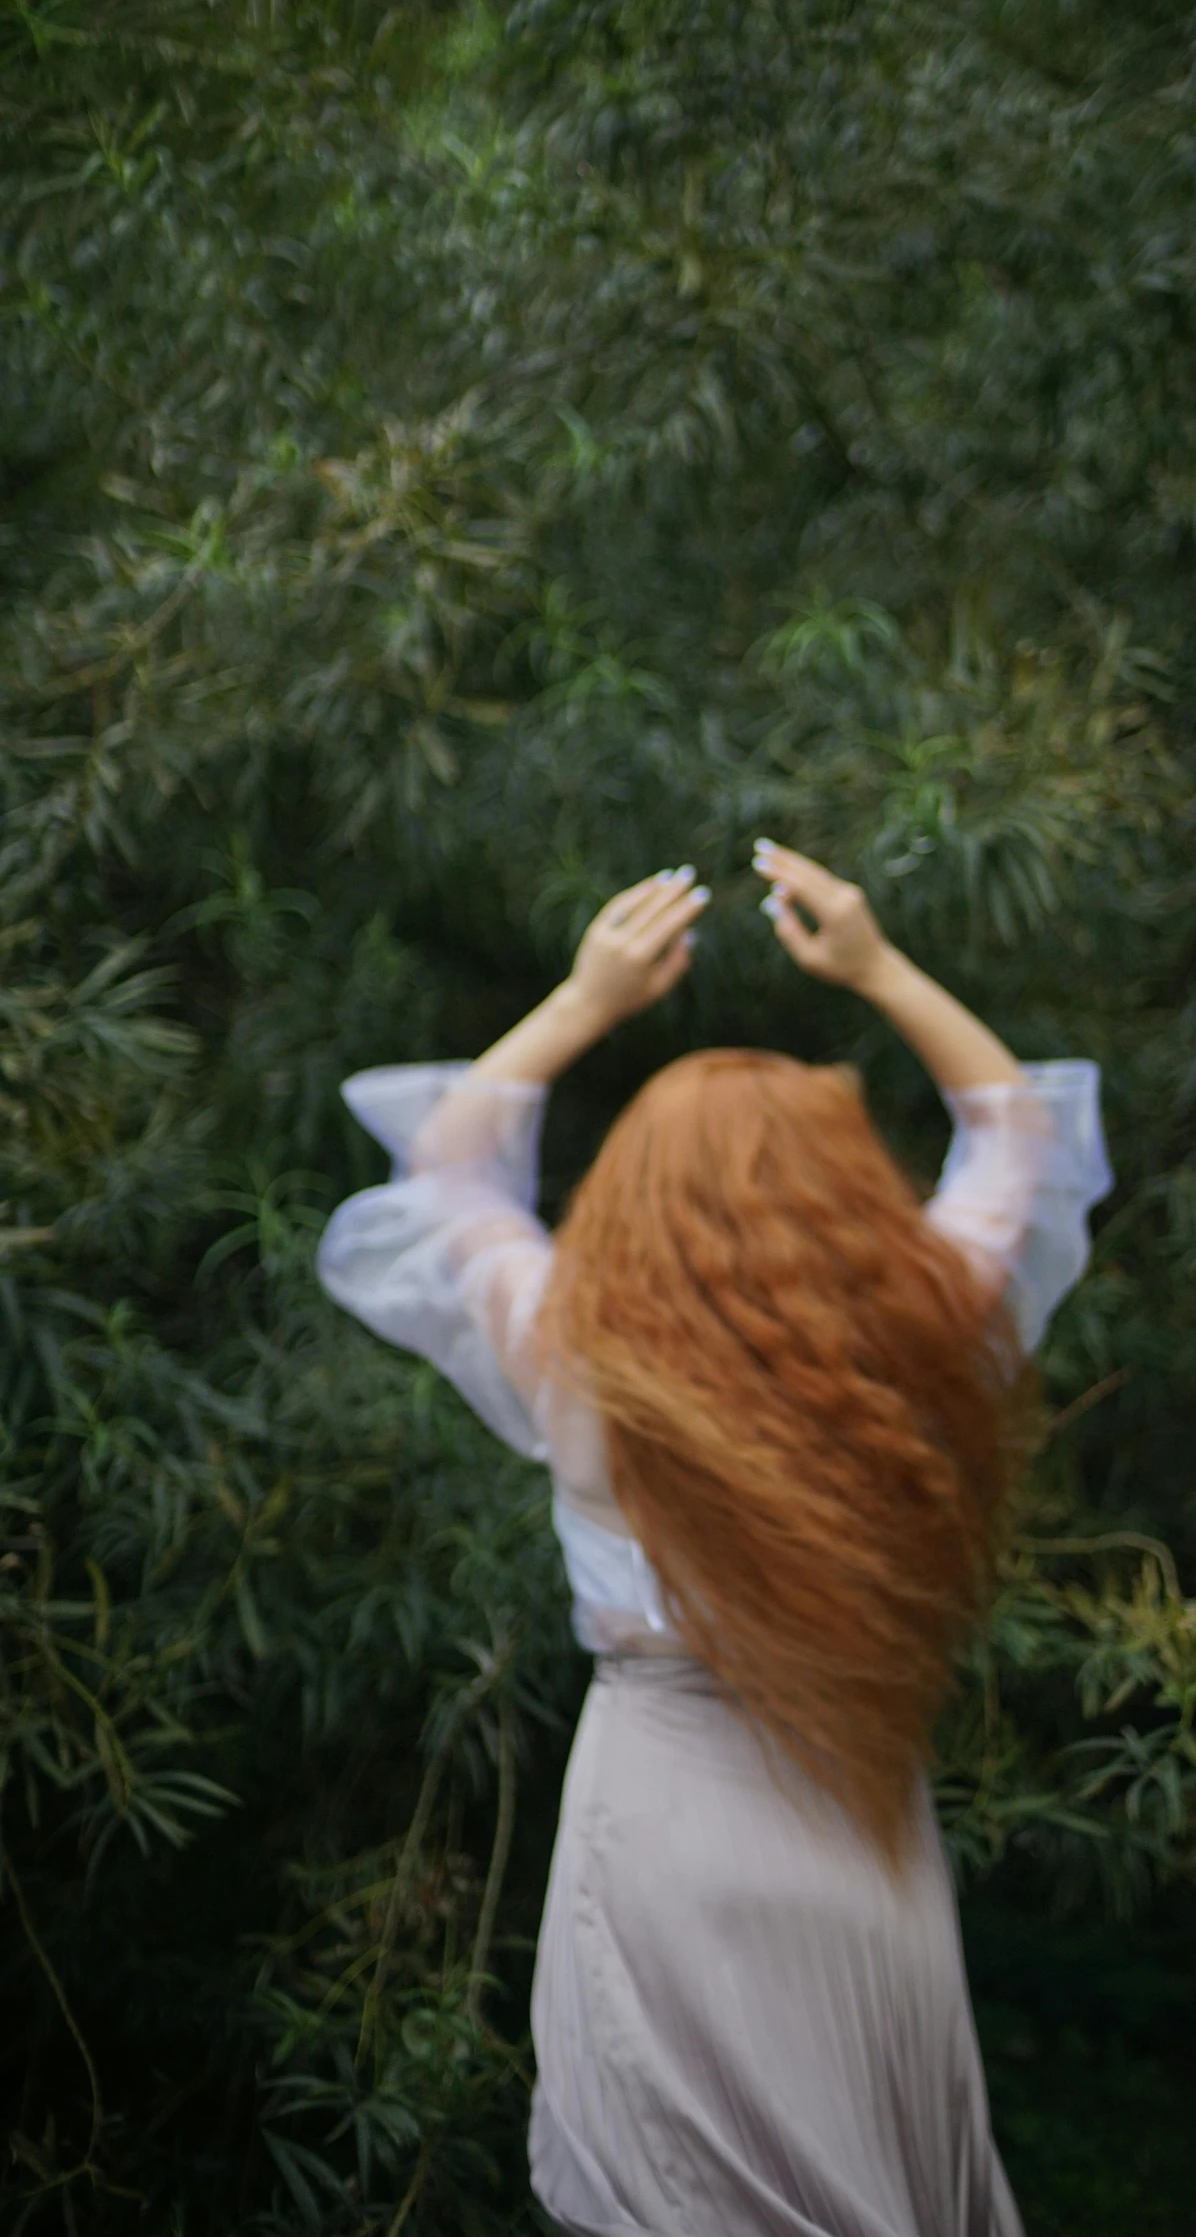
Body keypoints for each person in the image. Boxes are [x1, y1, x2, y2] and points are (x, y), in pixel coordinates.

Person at [315, 839, 1112, 2237]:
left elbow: (446, 1173)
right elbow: (1019, 1133)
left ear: (630, 1197)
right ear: (847, 1201)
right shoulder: (924, 1341)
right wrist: (876, 964)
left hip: (663, 1813)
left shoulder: (576, 1354)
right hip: (857, 1823)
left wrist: (585, 997)